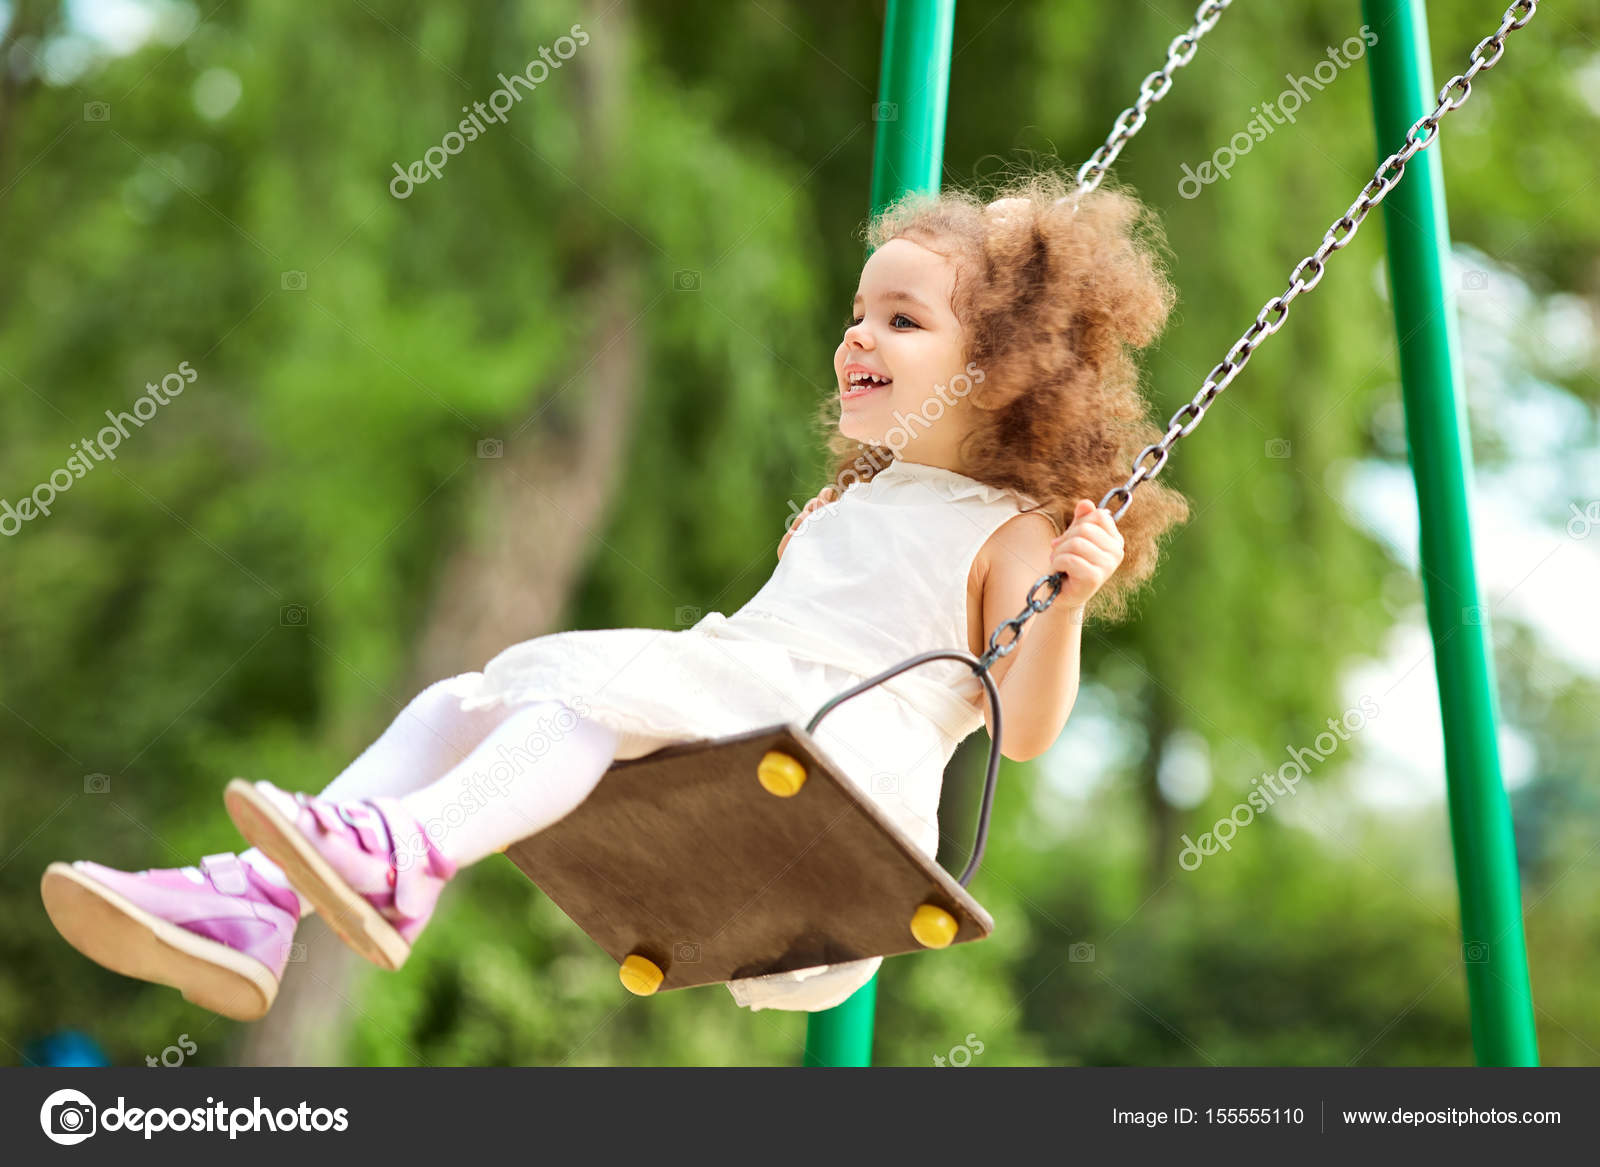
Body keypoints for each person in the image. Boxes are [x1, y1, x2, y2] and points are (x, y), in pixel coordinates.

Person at [40, 169, 1188, 1024]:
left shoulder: (1018, 531)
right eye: (857, 311)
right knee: (464, 700)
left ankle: (400, 861)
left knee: (586, 694)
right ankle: (258, 906)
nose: (857, 334)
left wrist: (1072, 598)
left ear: (1007, 370)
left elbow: (1025, 733)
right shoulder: (851, 505)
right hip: (758, 732)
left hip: (843, 783)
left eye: (902, 319)